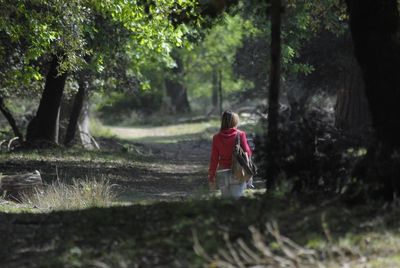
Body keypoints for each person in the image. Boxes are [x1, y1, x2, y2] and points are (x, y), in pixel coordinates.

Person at [208, 110, 253, 198]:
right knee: (237, 201)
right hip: (238, 172)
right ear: (235, 121)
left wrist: (211, 177)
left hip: (222, 172)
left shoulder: (216, 137)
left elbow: (214, 159)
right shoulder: (240, 135)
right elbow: (248, 153)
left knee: (226, 202)